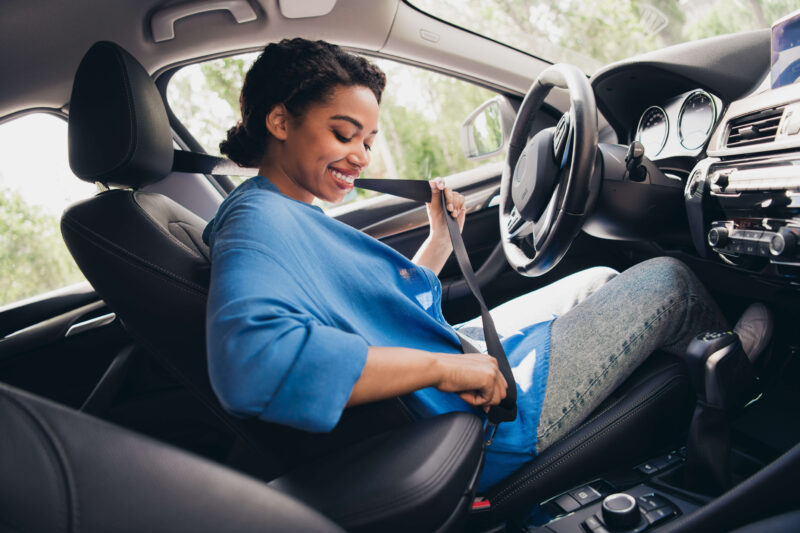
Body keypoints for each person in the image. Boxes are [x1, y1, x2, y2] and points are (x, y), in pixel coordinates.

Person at [202, 38, 771, 491]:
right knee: (668, 281)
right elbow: (256, 366)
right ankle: (738, 373)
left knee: (600, 279)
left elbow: (374, 315)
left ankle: (681, 381)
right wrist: (444, 370)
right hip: (476, 418)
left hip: (453, 359)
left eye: (369, 141)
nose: (361, 156)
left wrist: (439, 240)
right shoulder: (257, 223)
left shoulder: (284, 212)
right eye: (343, 134)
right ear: (279, 122)